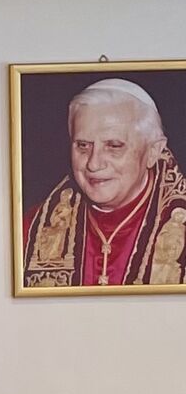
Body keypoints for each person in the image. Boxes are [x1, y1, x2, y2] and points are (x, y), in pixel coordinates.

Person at [23, 77, 186, 288]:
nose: (94, 163)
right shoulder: (31, 228)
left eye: (114, 145)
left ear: (153, 152)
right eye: (83, 145)